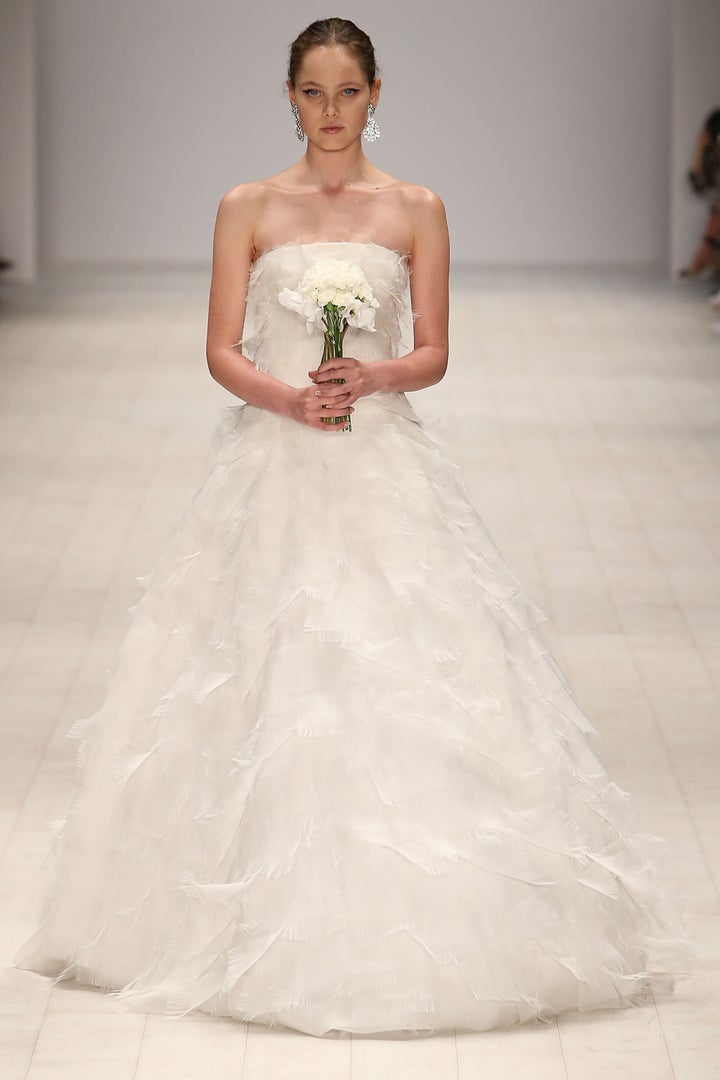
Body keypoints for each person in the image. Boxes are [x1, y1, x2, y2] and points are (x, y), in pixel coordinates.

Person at [14, 17, 694, 1039]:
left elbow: (435, 351)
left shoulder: (415, 209)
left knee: (404, 670)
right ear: (287, 96)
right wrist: (284, 399)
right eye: (313, 92)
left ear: (379, 94)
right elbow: (219, 348)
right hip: (274, 465)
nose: (331, 112)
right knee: (260, 669)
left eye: (348, 92)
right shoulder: (247, 206)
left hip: (381, 462)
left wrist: (373, 374)